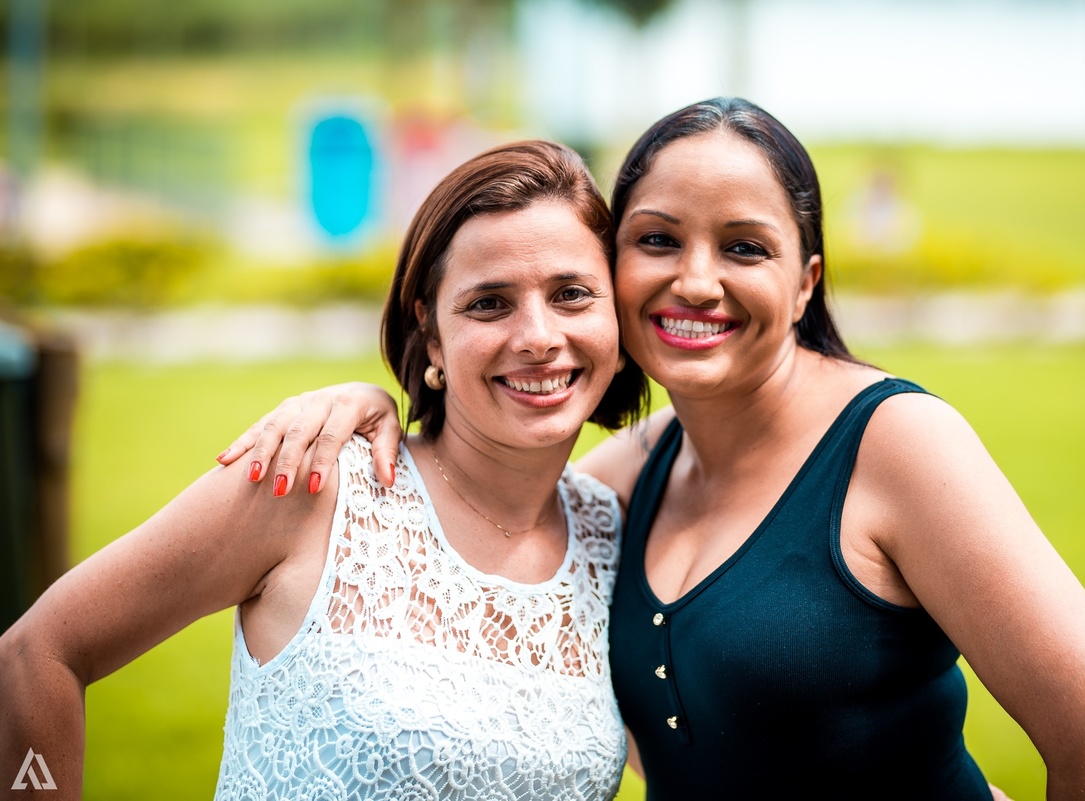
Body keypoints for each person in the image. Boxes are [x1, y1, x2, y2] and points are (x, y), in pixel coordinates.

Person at [216, 98, 1085, 800]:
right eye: (659, 240)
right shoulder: (621, 484)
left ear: (806, 281)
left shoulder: (897, 445)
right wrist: (366, 405)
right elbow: (473, 507)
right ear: (613, 267)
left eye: (745, 247)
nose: (697, 281)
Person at [0, 140, 650, 800]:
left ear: (618, 318)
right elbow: (36, 652)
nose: (538, 336)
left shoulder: (616, 535)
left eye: (572, 294)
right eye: (489, 303)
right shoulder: (312, 481)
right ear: (430, 333)